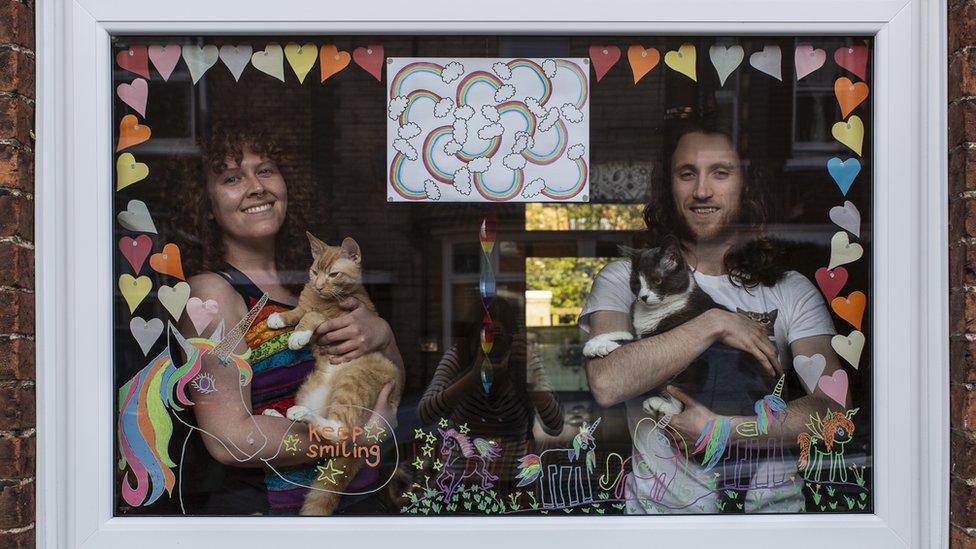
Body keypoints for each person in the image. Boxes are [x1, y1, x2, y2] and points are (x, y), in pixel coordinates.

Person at [579, 117, 851, 513]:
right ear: (669, 186)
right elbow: (607, 382)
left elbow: (834, 412)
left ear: (745, 182)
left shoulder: (790, 290)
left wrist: (723, 431)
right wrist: (715, 322)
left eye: (720, 173)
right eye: (687, 174)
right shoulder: (628, 280)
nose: (702, 191)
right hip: (660, 531)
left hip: (772, 526)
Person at [175, 124, 403, 515]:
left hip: (360, 503)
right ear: (206, 206)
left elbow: (389, 380)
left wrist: (381, 335)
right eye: (232, 177)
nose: (256, 186)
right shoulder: (212, 295)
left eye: (265, 170)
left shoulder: (315, 282)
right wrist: (356, 439)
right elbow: (230, 438)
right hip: (278, 520)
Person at [418, 295, 564, 494]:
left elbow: (555, 426)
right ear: (473, 338)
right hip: (460, 483)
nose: (493, 345)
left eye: (500, 337)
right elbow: (425, 415)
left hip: (512, 483)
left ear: (512, 338)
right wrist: (472, 376)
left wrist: (530, 377)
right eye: (487, 338)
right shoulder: (459, 358)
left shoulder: (523, 360)